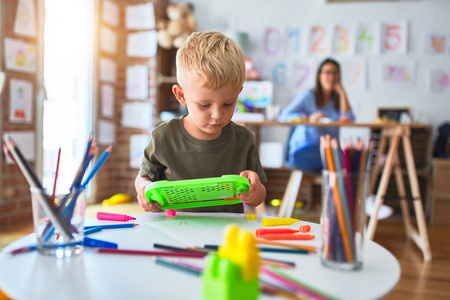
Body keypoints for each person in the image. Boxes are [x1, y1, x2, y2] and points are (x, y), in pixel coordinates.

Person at [135, 31, 267, 213]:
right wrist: (144, 192)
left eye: (228, 104)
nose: (217, 115)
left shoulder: (243, 139)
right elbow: (143, 178)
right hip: (175, 230)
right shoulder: (163, 137)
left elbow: (258, 198)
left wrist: (255, 192)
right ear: (181, 95)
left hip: (227, 233)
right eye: (205, 105)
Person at [278, 58, 355, 173]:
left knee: (350, 162)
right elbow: (283, 116)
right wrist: (308, 119)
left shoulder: (338, 100)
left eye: (335, 73)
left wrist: (342, 93)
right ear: (319, 76)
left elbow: (349, 119)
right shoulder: (309, 96)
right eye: (327, 72)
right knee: (340, 164)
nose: (332, 76)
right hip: (305, 150)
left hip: (328, 150)